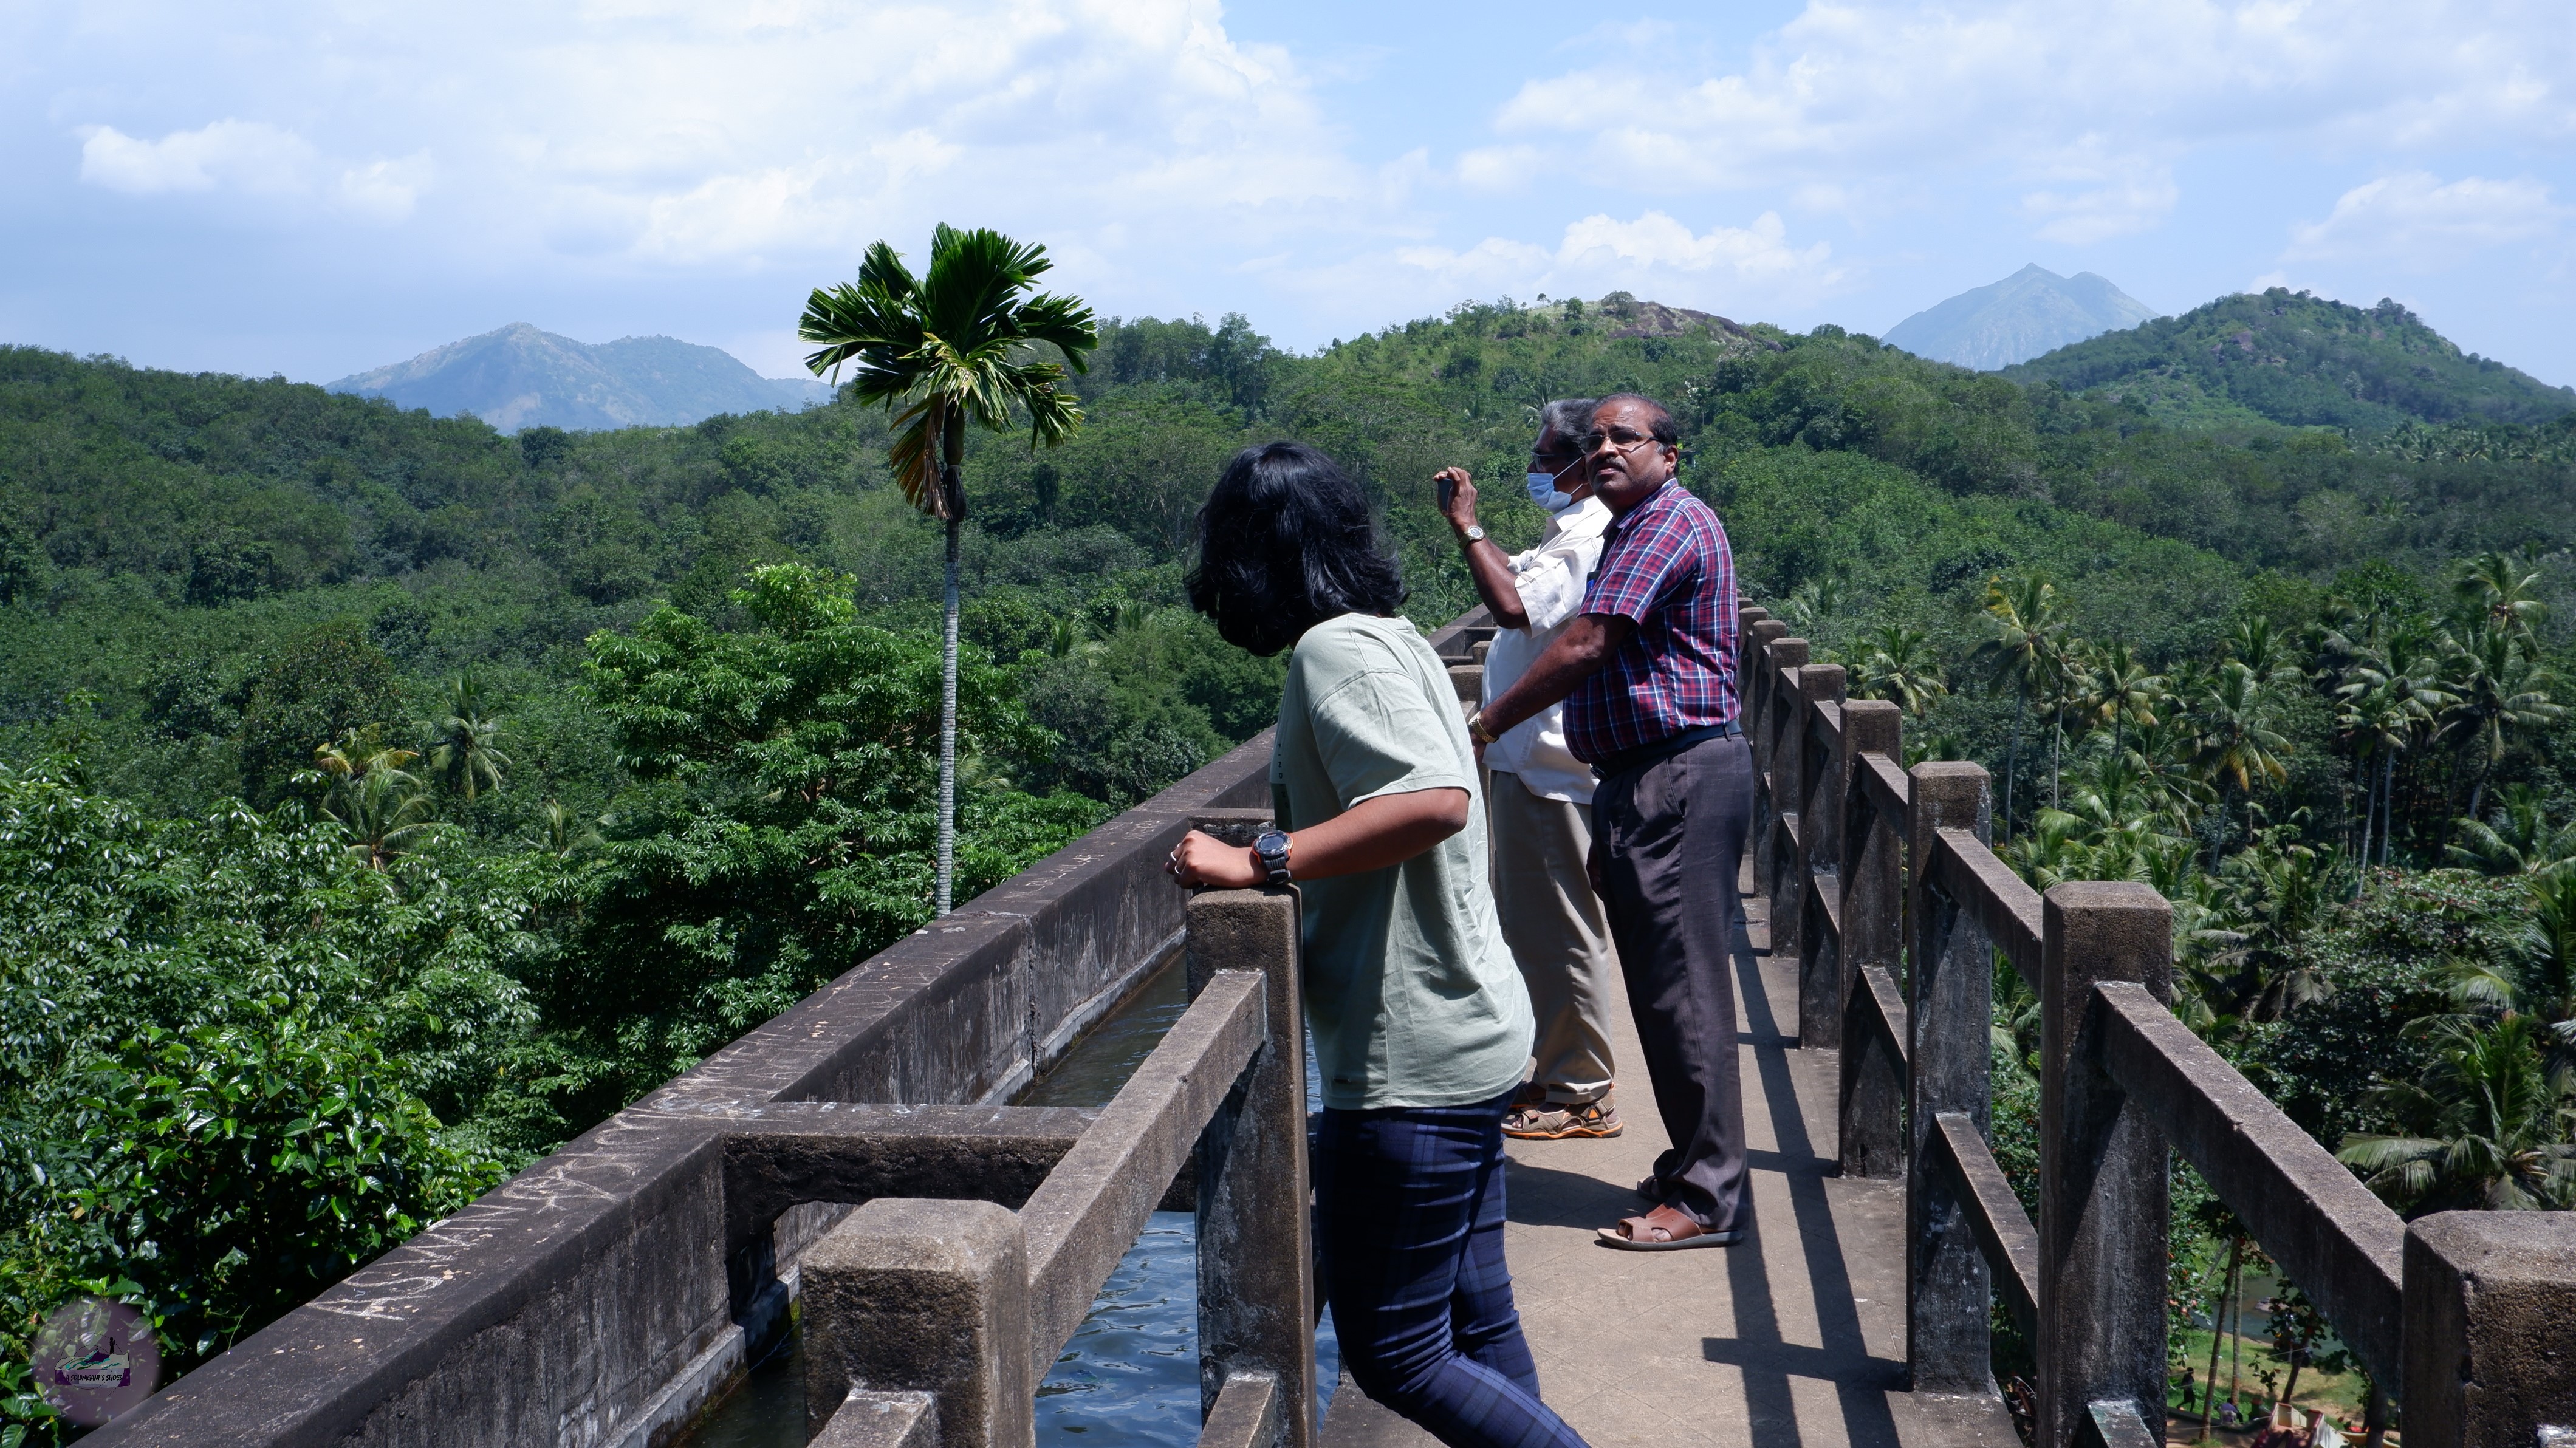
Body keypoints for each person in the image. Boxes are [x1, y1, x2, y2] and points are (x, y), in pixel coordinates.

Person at [1166, 442, 1591, 1448]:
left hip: (1416, 1059)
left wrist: (1262, 858)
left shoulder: (1335, 652)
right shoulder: (1389, 633)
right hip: (1473, 1029)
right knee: (1478, 1319)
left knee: (1396, 1349)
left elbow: (1432, 800)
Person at [1468, 393, 1751, 1251]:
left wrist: (1483, 725)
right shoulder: (1632, 529)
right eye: (1594, 443)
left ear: (1670, 453)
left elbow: (1586, 643)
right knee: (1662, 993)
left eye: (1625, 438)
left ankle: (1707, 1199)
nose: (1604, 452)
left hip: (1678, 777)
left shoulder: (1666, 524)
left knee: (1685, 993)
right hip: (1642, 779)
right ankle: (1690, 1168)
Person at [1432, 398, 1624, 1141]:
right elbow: (1525, 584)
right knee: (1531, 926)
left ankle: (1582, 1090)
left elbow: (1513, 606)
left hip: (1550, 766)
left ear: (1582, 462)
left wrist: (1468, 526)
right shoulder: (1568, 531)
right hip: (1529, 760)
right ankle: (1554, 1070)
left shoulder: (1588, 534)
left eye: (1547, 459)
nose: (1536, 470)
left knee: (1559, 930)